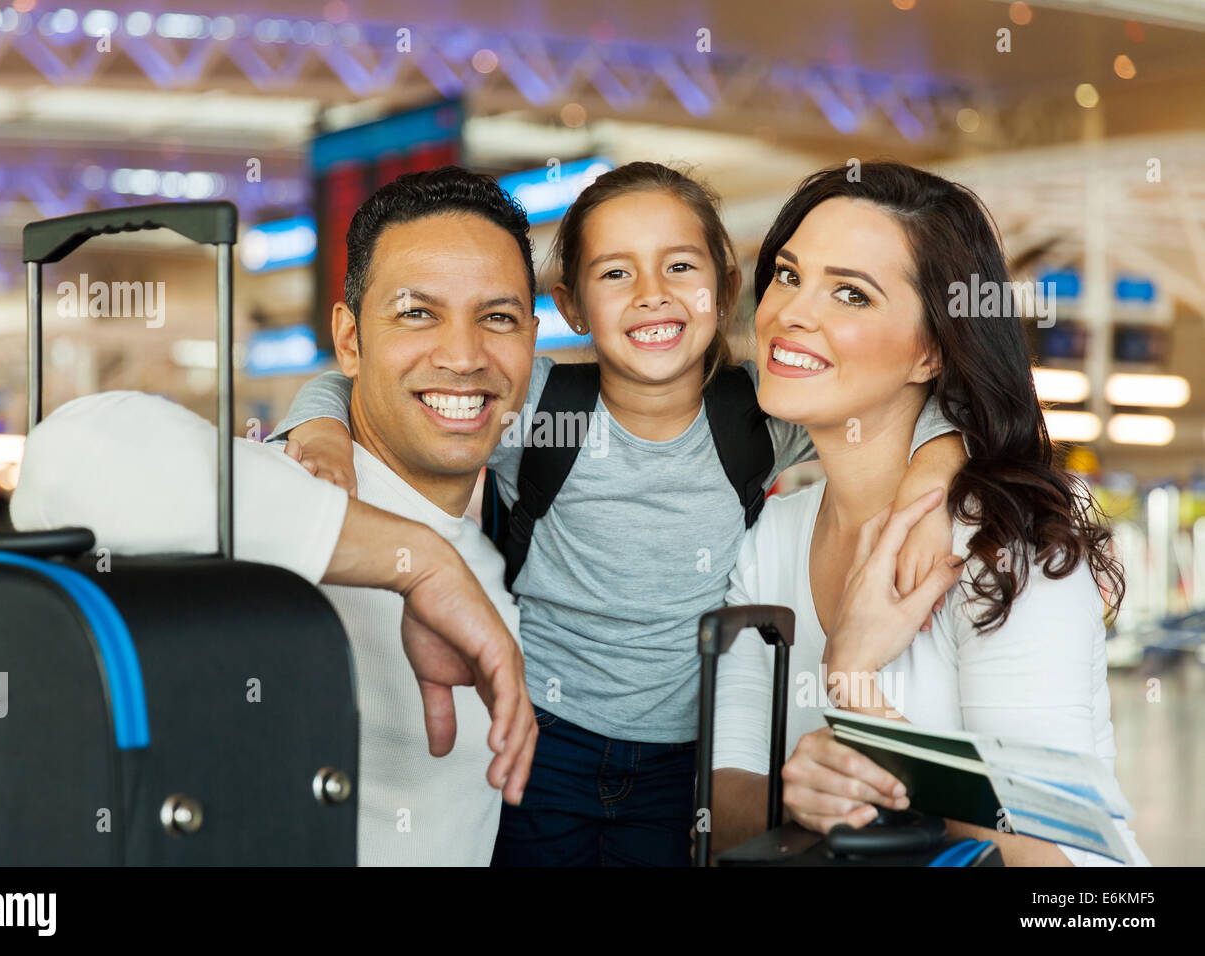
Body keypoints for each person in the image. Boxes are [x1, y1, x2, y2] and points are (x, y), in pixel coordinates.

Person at [270, 162, 967, 866]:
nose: (652, 296)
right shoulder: (538, 408)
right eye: (615, 274)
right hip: (543, 737)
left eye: (679, 267)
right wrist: (320, 430)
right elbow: (361, 378)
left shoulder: (757, 415)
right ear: (571, 307)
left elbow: (914, 400)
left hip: (685, 759)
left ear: (725, 289)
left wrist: (935, 472)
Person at [12, 166, 542, 865]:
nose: (464, 355)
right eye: (418, 313)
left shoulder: (494, 552)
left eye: (497, 318)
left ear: (532, 340)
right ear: (350, 341)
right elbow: (65, 458)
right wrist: (416, 565)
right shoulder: (295, 483)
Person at [709, 161, 1149, 866]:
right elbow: (721, 803)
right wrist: (796, 799)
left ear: (929, 350)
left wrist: (855, 687)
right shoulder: (774, 539)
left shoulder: (1001, 548)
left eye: (851, 294)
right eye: (790, 275)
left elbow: (1056, 869)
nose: (791, 312)